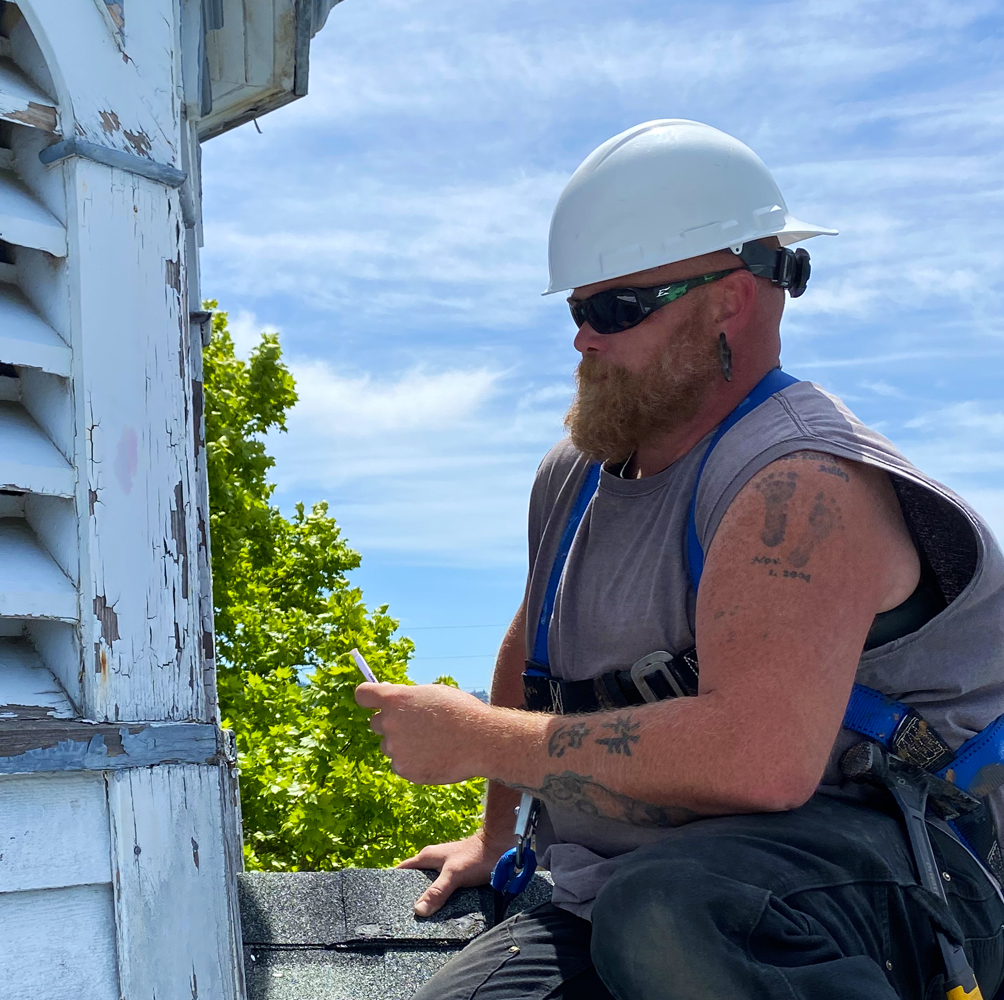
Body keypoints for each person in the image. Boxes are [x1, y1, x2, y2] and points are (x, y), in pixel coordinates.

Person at [354, 119, 1004, 1000]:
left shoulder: (801, 482)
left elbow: (761, 760)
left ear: (729, 302)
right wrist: (497, 833)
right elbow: (531, 657)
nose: (582, 338)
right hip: (625, 892)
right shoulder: (574, 477)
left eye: (613, 310)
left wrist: (471, 739)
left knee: (674, 914)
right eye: (579, 309)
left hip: (891, 889)